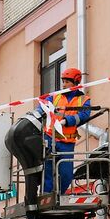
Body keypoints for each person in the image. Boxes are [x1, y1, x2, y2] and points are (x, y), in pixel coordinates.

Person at [40, 67, 93, 195]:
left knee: (66, 174)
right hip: (49, 137)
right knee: (47, 170)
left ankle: (59, 195)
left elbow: (84, 115)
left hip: (67, 142)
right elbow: (42, 108)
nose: (64, 84)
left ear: (76, 82)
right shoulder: (54, 97)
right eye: (63, 81)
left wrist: (67, 120)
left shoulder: (84, 100)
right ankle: (47, 195)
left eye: (67, 82)